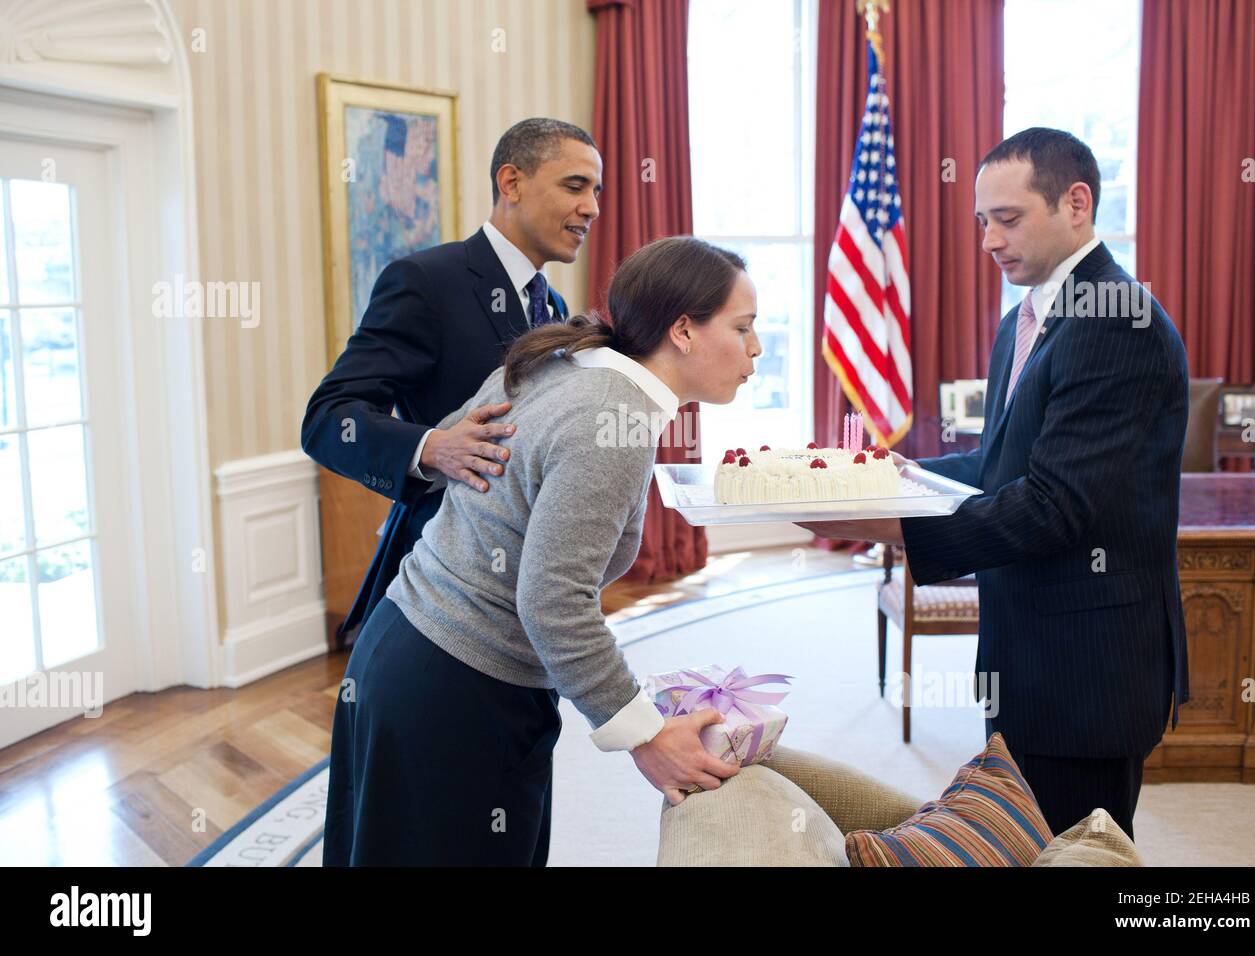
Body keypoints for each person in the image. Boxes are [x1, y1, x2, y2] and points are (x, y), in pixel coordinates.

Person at [799, 127, 1190, 841]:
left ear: (1077, 203)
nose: (988, 239)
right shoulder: (1023, 319)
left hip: (1085, 672)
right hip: (1026, 650)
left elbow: (1055, 507)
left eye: (1007, 219)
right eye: (983, 220)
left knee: (1076, 854)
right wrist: (891, 476)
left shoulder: (1117, 322)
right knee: (1021, 845)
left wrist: (892, 524)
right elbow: (999, 463)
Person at [323, 236, 762, 865]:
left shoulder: (562, 364)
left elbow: (468, 453)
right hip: (456, 687)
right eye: (743, 328)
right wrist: (646, 735)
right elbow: (554, 600)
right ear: (684, 331)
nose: (756, 349)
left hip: (401, 651)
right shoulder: (614, 419)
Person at [302, 117, 601, 647]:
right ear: (511, 183)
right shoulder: (425, 282)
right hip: (442, 583)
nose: (593, 208)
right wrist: (434, 447)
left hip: (527, 586)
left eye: (596, 192)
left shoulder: (551, 306)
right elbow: (328, 419)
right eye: (575, 186)